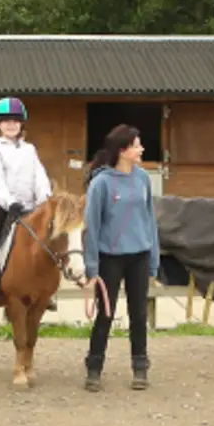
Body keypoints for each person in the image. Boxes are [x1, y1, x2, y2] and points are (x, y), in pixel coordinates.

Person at [81, 125, 159, 392]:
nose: (142, 149)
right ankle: (94, 367)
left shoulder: (143, 179)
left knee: (138, 314)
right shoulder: (101, 183)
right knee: (105, 314)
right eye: (137, 145)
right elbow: (91, 226)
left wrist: (153, 259)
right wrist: (92, 267)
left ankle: (140, 367)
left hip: (138, 255)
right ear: (124, 150)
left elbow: (149, 220)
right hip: (110, 258)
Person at [0, 97, 51, 306]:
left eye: (15, 120)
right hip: (2, 206)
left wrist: (45, 200)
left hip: (31, 207)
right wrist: (9, 202)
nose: (11, 124)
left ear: (22, 123)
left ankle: (44, 289)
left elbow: (39, 176)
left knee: (49, 239)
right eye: (5, 121)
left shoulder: (29, 150)